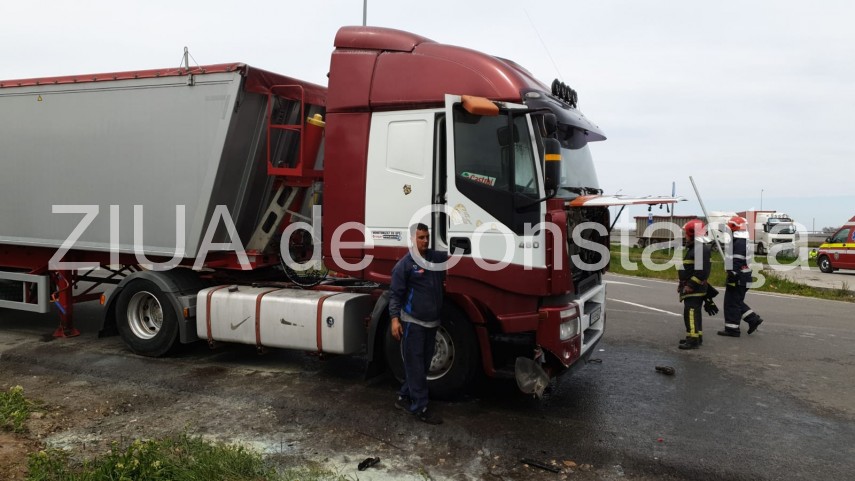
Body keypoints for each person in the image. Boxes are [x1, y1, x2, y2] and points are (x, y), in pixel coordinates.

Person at [389, 223, 447, 424]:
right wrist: (394, 320)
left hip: (431, 324)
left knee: (421, 366)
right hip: (413, 324)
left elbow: (455, 256)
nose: (425, 241)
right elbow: (395, 295)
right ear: (412, 239)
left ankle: (404, 397)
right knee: (415, 366)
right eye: (421, 238)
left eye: (427, 237)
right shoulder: (405, 265)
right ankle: (420, 407)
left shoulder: (435, 259)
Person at [718, 215, 764, 337]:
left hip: (738, 278)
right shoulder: (742, 241)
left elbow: (737, 261)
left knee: (731, 304)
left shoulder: (739, 242)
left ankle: (732, 329)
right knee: (736, 302)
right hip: (744, 277)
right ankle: (753, 319)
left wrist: (732, 274)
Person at [677, 219, 711, 350]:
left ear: (692, 234)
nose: (685, 236)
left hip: (694, 289)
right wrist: (682, 283)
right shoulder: (696, 248)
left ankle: (692, 340)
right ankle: (696, 336)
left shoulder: (700, 249)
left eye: (686, 234)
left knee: (690, 312)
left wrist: (690, 285)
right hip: (693, 287)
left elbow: (701, 272)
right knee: (695, 313)